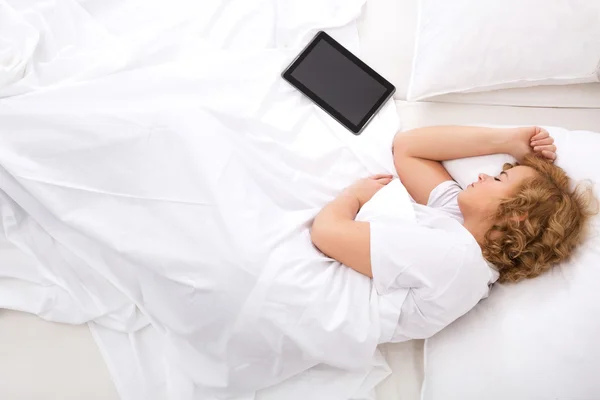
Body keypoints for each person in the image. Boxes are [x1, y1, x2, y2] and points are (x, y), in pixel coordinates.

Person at [310, 126, 596, 340]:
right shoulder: (461, 227)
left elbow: (325, 233)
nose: (483, 176)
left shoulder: (454, 259)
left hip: (312, 302)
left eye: (499, 178)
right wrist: (508, 141)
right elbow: (409, 147)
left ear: (515, 214)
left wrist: (356, 195)